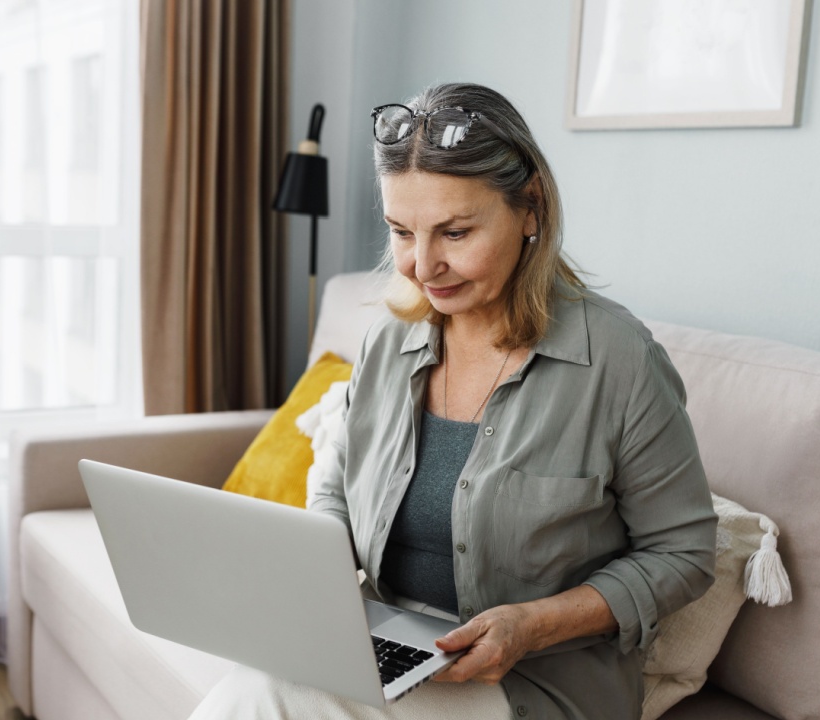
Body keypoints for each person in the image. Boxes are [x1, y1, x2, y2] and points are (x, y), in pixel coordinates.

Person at [190, 82, 718, 720]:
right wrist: (317, 587)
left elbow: (683, 553)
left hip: (537, 679)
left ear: (531, 210)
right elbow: (335, 478)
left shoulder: (616, 360)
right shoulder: (388, 341)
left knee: (263, 701)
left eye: (456, 232)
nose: (422, 265)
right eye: (401, 232)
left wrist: (533, 624)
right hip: (390, 642)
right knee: (255, 687)